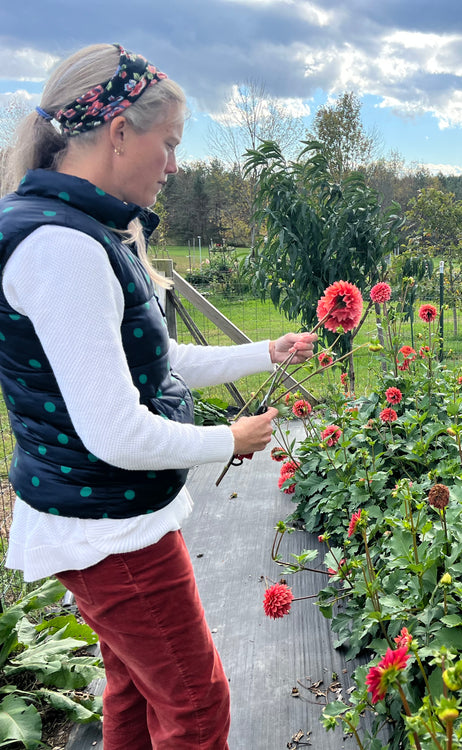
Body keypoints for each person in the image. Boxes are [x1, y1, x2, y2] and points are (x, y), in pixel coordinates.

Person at [0, 43, 315, 749]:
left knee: (134, 690)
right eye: (168, 142)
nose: (174, 164)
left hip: (96, 518)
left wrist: (265, 350)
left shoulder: (73, 228)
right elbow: (116, 432)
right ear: (118, 133)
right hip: (113, 531)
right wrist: (228, 440)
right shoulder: (66, 249)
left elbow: (158, 360)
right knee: (196, 708)